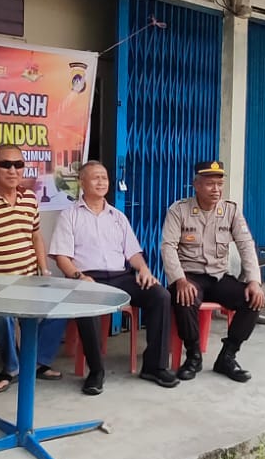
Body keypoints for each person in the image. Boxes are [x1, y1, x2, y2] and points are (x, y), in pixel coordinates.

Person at [51, 161, 177, 394]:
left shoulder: (118, 216)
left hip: (121, 277)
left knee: (160, 295)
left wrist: (144, 270)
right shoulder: (69, 216)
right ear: (82, 182)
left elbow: (134, 253)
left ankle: (155, 366)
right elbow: (62, 257)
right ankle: (96, 371)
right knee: (87, 300)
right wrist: (79, 276)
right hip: (89, 278)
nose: (101, 182)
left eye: (104, 178)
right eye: (95, 177)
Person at [0, 145, 65, 393]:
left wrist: (43, 268)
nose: (12, 170)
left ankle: (37, 361)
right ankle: (12, 367)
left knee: (63, 305)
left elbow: (36, 235)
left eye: (18, 164)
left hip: (30, 279)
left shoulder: (29, 198)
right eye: (5, 164)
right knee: (2, 315)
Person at [160, 160, 264, 383]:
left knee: (252, 299)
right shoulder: (179, 210)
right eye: (210, 184)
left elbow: (246, 244)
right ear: (196, 185)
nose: (216, 189)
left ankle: (227, 356)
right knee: (184, 298)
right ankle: (193, 356)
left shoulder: (231, 211)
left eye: (219, 184)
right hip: (189, 276)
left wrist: (254, 280)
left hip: (218, 277)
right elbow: (168, 247)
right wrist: (179, 279)